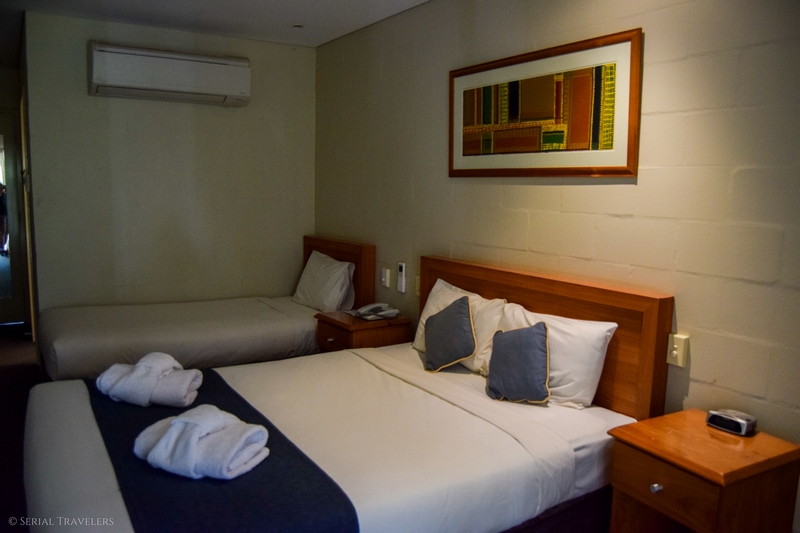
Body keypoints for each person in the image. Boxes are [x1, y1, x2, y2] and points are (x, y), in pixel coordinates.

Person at [0, 183, 7, 257]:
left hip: (4, 214)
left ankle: (2, 248)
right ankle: (2, 248)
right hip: (2, 214)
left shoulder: (4, 194)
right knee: (3, 232)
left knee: (4, 232)